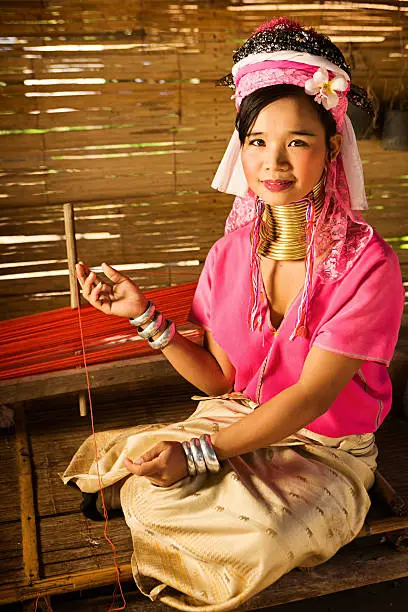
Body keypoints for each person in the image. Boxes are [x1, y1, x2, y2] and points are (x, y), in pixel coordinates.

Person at [62, 18, 405, 611]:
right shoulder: (230, 253)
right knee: (154, 492)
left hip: (325, 447)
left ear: (331, 149)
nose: (273, 161)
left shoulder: (367, 264)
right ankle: (178, 477)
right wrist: (142, 314)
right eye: (256, 141)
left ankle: (237, 480)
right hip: (236, 415)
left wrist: (196, 455)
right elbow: (220, 381)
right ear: (239, 150)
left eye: (297, 141)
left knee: (263, 536)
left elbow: (308, 401)